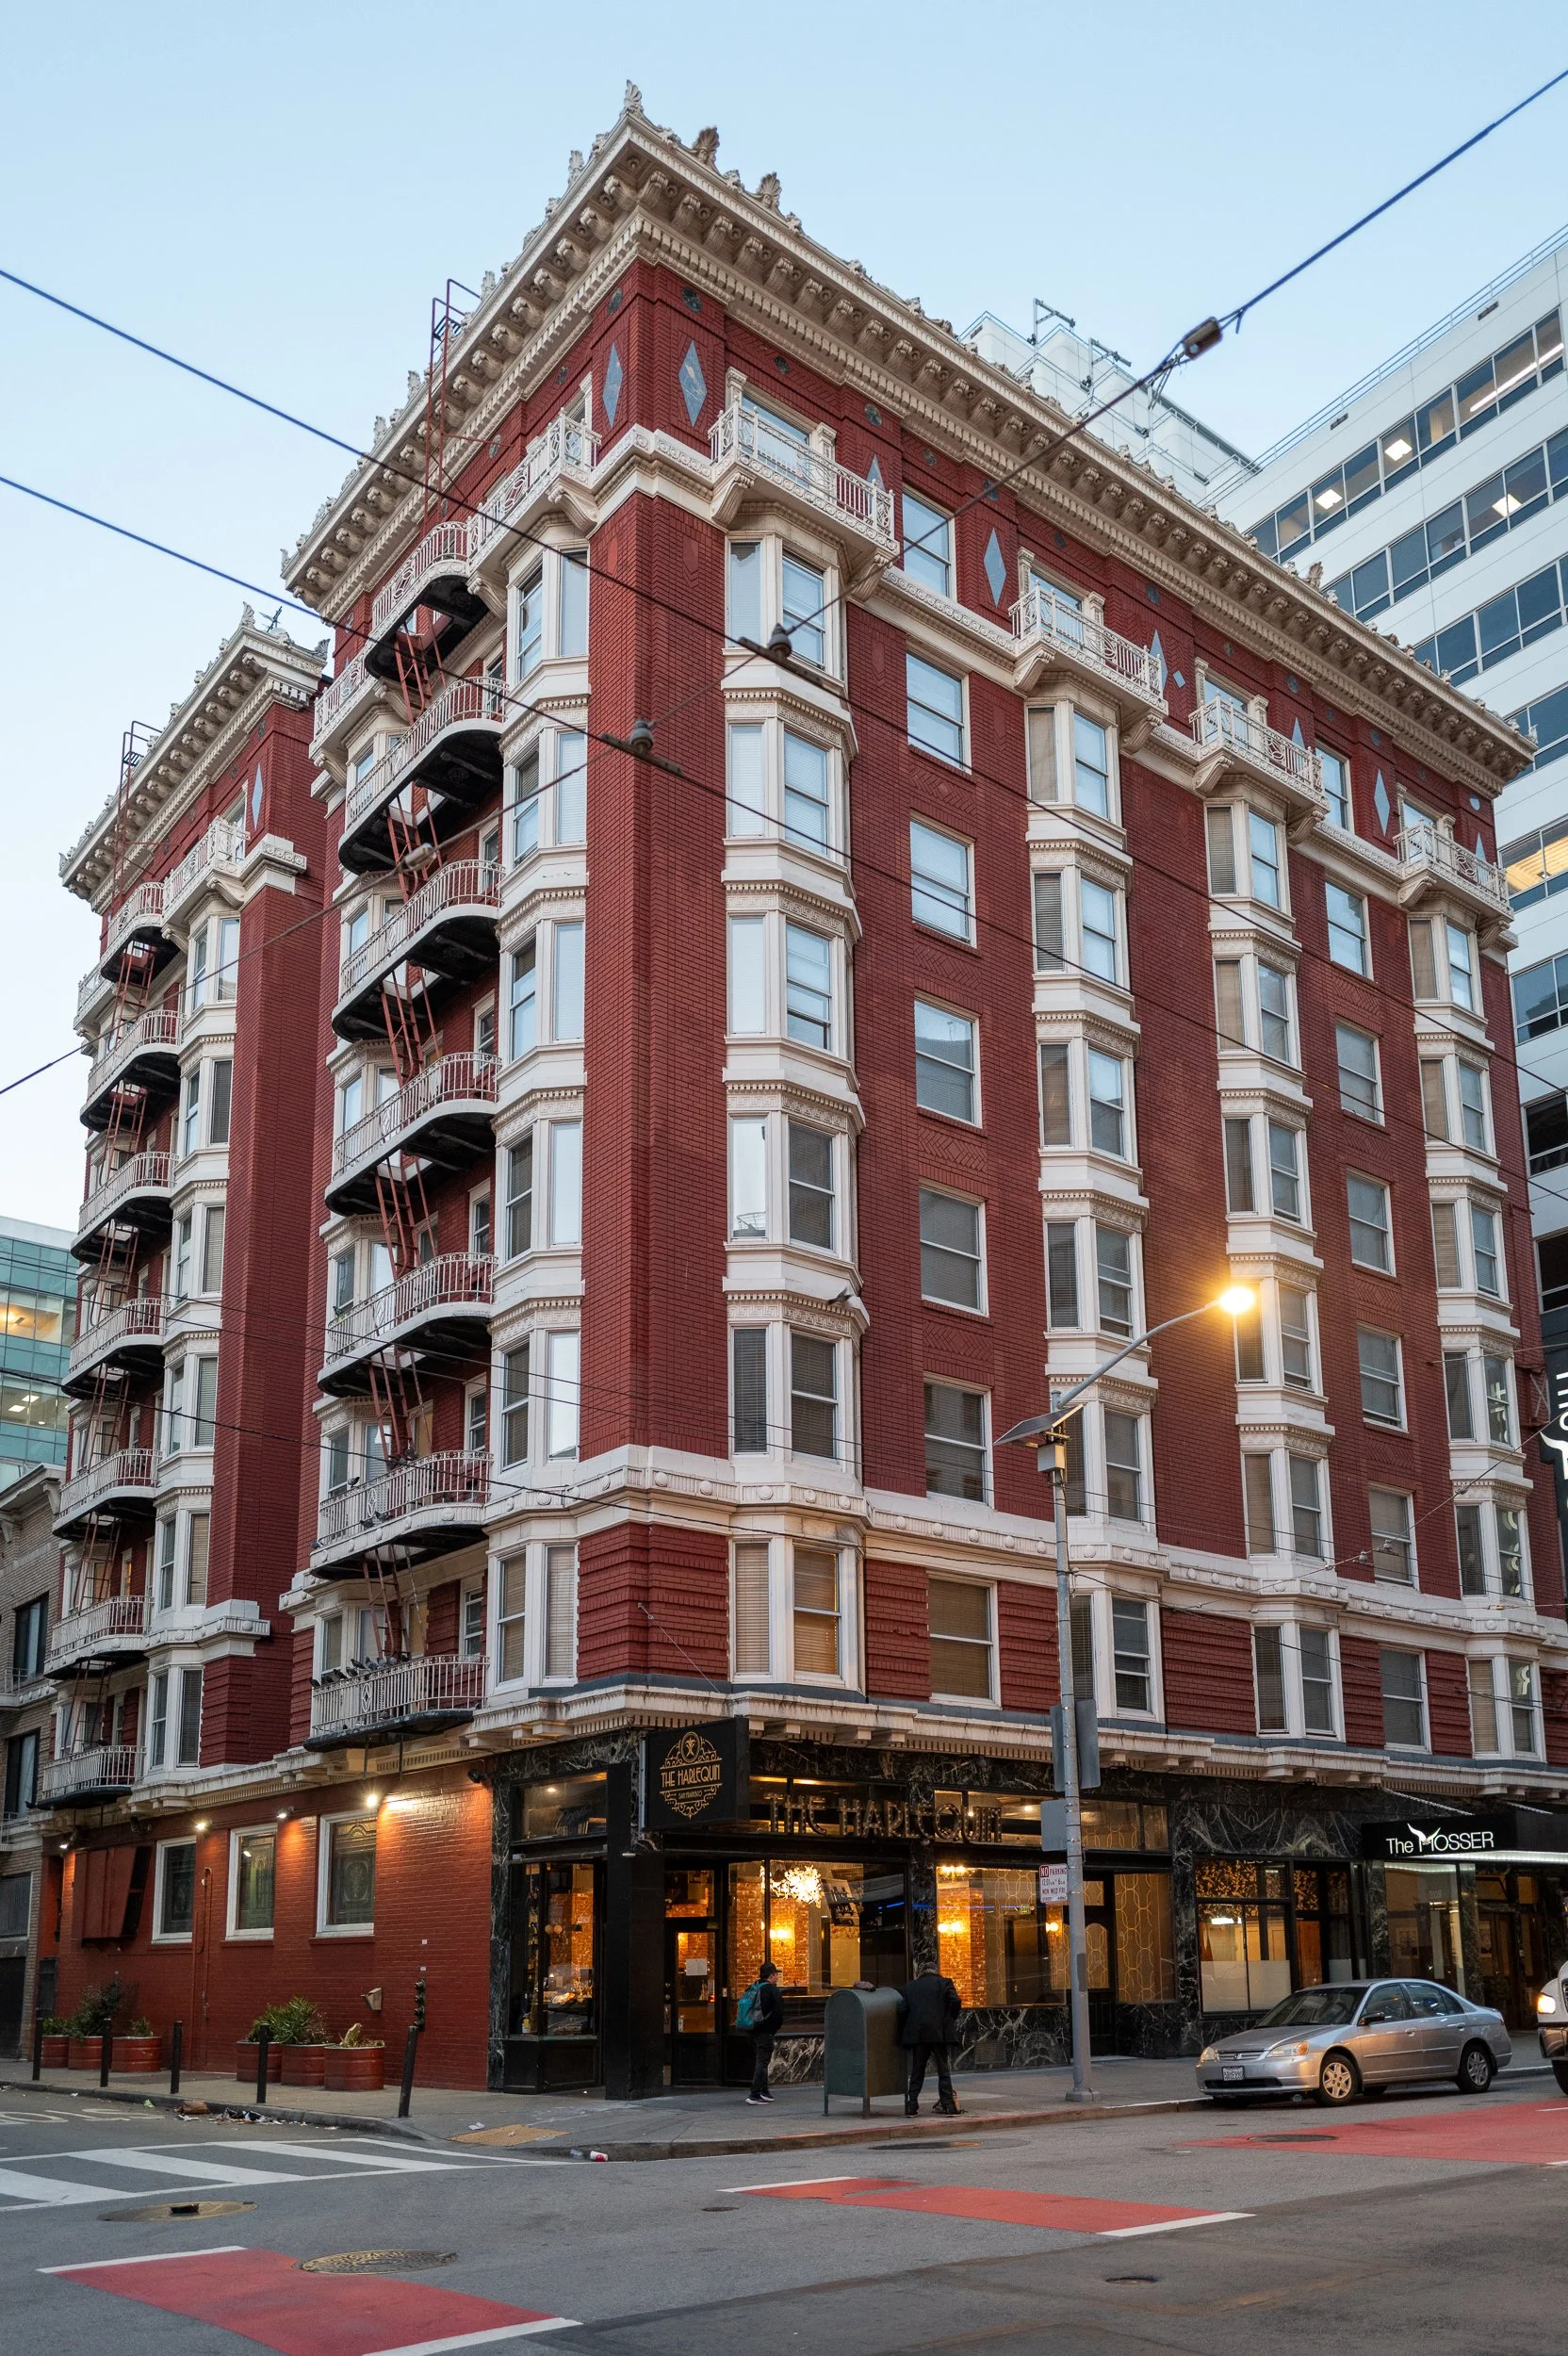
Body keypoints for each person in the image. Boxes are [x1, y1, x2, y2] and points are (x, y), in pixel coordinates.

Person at [897, 1966, 961, 2115]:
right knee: (943, 2069)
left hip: (918, 2034)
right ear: (936, 1971)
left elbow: (902, 2009)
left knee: (917, 2070)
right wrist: (949, 2018)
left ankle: (911, 2105)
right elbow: (956, 2002)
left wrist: (908, 2025)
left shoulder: (911, 1986)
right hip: (939, 2033)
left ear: (920, 1973)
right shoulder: (944, 1983)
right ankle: (948, 2105)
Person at [743, 1959, 783, 2103]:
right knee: (762, 2062)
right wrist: (773, 2029)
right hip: (765, 2031)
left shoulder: (753, 1987)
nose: (777, 1977)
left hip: (751, 2029)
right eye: (776, 1975)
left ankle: (764, 2092)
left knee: (761, 2060)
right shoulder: (772, 1990)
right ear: (772, 1975)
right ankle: (754, 2094)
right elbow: (778, 2013)